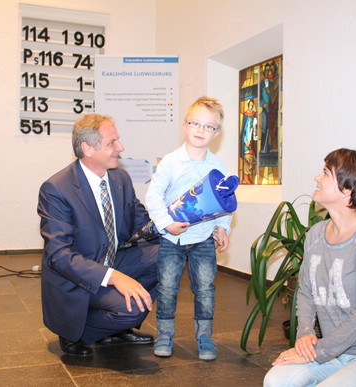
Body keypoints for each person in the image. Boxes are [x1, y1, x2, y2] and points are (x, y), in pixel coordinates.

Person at [264, 148, 356, 386]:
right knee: (276, 380)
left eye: (325, 173)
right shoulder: (316, 234)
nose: (317, 178)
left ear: (347, 190)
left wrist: (318, 352)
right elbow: (306, 292)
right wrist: (305, 336)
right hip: (334, 351)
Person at [37, 113, 158, 357]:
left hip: (114, 260)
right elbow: (59, 256)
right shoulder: (56, 190)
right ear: (87, 148)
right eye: (112, 143)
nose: (120, 148)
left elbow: (140, 221)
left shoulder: (120, 178)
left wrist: (171, 224)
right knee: (132, 309)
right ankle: (77, 332)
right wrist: (114, 277)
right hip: (77, 278)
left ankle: (115, 326)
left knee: (170, 254)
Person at [145, 96, 232, 361]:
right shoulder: (171, 161)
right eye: (195, 123)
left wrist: (222, 227)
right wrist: (166, 224)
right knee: (168, 288)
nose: (200, 130)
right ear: (185, 125)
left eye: (208, 126)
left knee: (205, 289)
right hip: (172, 239)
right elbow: (153, 196)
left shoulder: (217, 165)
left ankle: (205, 337)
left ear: (216, 133)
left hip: (203, 238)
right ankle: (165, 335)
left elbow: (224, 202)